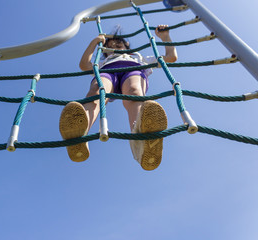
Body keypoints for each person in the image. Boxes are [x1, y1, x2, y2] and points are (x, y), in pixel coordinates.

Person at [59, 25, 178, 170]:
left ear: (126, 44)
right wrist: (95, 42)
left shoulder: (139, 56)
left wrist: (165, 37)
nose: (114, 44)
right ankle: (79, 131)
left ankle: (142, 138)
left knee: (134, 92)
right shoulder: (102, 62)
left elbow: (171, 57)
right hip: (109, 70)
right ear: (105, 50)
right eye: (109, 44)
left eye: (118, 42)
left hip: (133, 69)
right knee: (96, 91)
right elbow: (84, 65)